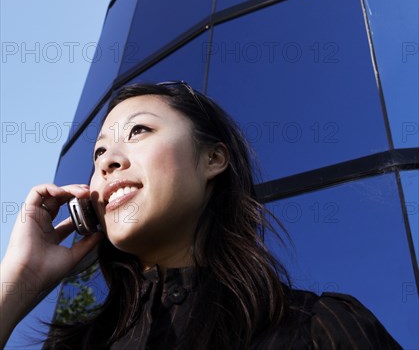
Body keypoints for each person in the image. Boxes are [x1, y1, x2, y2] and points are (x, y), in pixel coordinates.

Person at [1, 82, 403, 349]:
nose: (108, 162)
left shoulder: (315, 328)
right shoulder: (75, 346)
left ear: (213, 158)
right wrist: (18, 281)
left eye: (138, 131)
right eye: (99, 152)